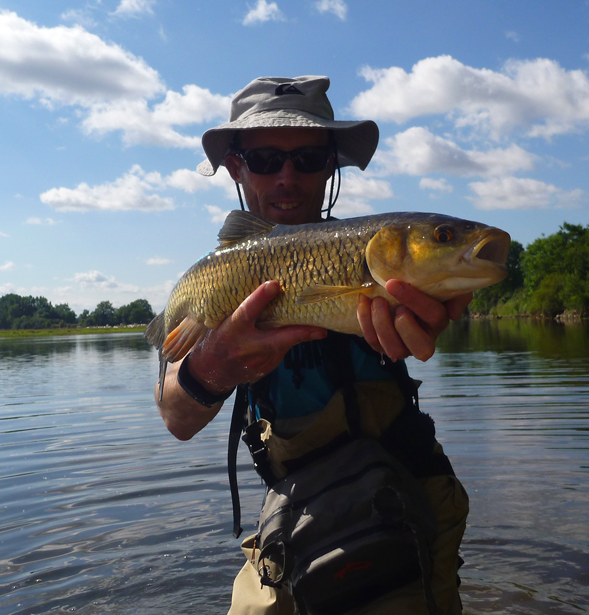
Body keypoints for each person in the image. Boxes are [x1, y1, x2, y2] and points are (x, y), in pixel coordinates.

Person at [155, 76, 471, 615]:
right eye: (263, 159)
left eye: (307, 159)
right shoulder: (211, 282)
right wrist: (212, 367)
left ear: (331, 166)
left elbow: (435, 315)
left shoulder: (377, 255)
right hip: (294, 514)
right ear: (235, 167)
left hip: (408, 497)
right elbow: (177, 419)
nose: (287, 178)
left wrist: (432, 319)